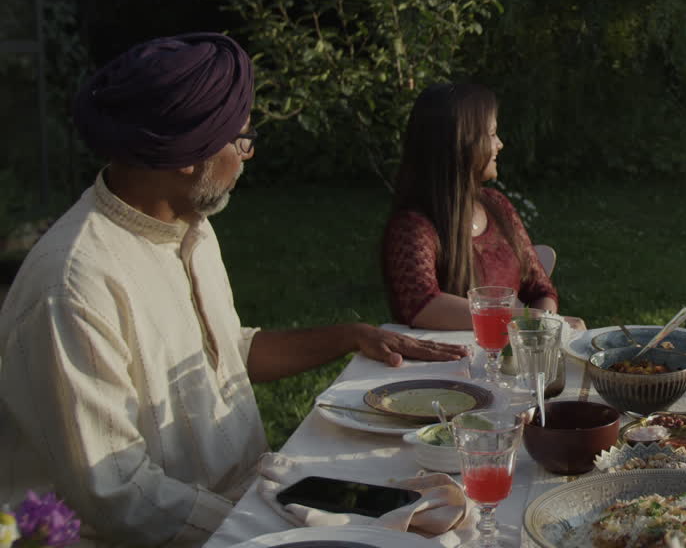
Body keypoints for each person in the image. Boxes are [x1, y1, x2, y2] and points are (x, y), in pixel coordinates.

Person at [0, 34, 470, 547]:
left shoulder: (187, 227)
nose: (247, 156)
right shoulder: (74, 286)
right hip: (181, 534)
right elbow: (121, 497)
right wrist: (266, 523)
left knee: (447, 507)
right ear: (187, 156)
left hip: (252, 500)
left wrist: (348, 335)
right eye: (241, 139)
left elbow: (223, 350)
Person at [382, 83, 583, 330]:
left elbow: (541, 288)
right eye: (491, 134)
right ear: (460, 143)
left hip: (509, 358)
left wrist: (539, 336)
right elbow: (422, 306)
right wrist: (530, 321)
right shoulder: (413, 226)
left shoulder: (497, 205)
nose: (499, 144)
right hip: (444, 365)